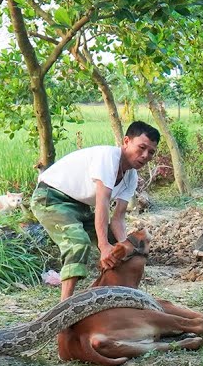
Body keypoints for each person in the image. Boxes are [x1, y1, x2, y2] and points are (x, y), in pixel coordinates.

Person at [31, 121, 160, 300]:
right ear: (126, 141)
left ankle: (114, 294)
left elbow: (118, 219)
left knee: (118, 246)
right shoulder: (108, 158)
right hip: (50, 198)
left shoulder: (131, 177)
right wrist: (103, 246)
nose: (145, 155)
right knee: (78, 242)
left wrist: (122, 246)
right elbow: (102, 203)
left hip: (79, 206)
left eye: (151, 152)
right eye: (141, 147)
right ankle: (64, 307)